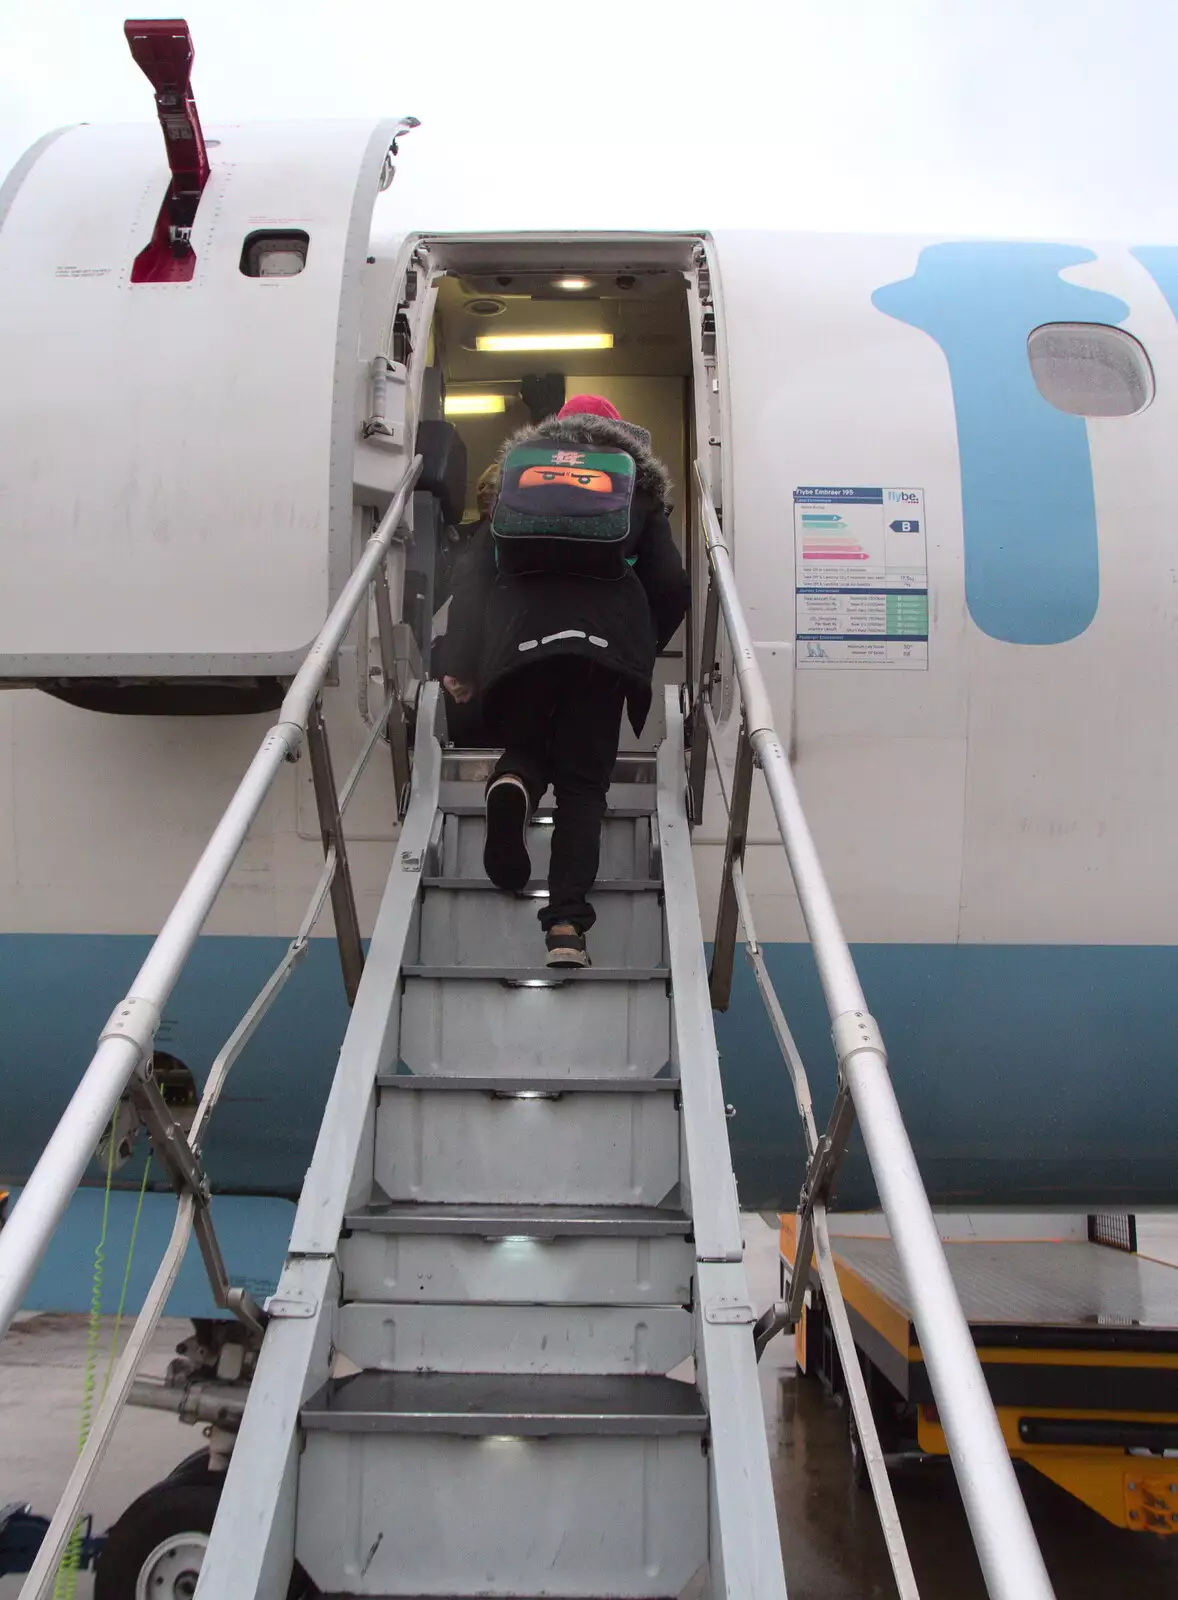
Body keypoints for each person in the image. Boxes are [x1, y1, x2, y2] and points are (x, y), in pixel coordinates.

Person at [442, 396, 691, 968]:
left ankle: (512, 785)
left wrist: (461, 661)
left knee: (527, 747)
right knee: (583, 787)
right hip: (604, 652)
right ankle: (565, 928)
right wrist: (641, 645)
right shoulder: (638, 490)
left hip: (518, 642)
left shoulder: (521, 477)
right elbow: (672, 582)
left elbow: (473, 576)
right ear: (620, 433)